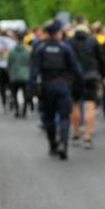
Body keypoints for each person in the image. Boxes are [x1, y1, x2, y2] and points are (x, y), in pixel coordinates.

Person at [30, 21, 83, 160]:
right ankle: (63, 145)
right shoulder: (65, 48)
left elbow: (34, 70)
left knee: (49, 118)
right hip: (63, 85)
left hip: (47, 87)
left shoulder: (40, 48)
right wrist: (77, 84)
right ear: (58, 33)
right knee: (64, 117)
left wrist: (33, 88)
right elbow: (76, 68)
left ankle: (53, 144)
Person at [66, 22, 104, 149]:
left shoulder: (69, 42)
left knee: (75, 105)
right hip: (91, 77)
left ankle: (76, 133)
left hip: (75, 78)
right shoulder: (93, 41)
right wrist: (101, 75)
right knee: (90, 106)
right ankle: (88, 136)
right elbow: (101, 59)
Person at [7, 31, 31, 118]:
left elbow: (9, 64)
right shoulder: (27, 51)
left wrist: (10, 72)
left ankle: (17, 110)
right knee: (25, 94)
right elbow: (30, 63)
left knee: (15, 94)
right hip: (25, 75)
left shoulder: (12, 51)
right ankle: (24, 111)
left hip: (14, 75)